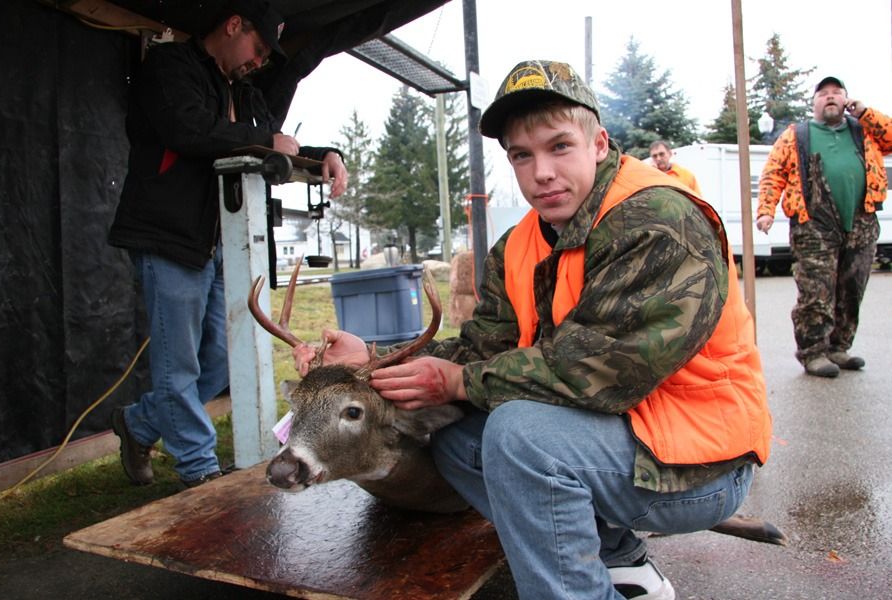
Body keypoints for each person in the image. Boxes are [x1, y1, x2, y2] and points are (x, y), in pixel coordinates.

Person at [296, 60, 772, 600]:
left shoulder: (658, 221)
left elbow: (602, 371)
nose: (541, 172)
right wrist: (370, 360)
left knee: (518, 436)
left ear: (598, 144)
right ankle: (618, 560)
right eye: (522, 155)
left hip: (699, 462)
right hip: (614, 440)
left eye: (559, 146)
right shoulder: (520, 244)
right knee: (456, 438)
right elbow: (480, 349)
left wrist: (459, 383)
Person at [107, 0, 348, 487]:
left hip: (222, 243)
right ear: (234, 25)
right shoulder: (170, 66)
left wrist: (326, 154)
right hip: (169, 235)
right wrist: (266, 141)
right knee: (178, 367)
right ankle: (199, 471)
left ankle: (139, 424)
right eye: (258, 48)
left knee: (223, 358)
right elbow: (188, 128)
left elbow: (273, 142)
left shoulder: (244, 93)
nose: (259, 61)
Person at [756, 76, 891, 378]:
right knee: (816, 292)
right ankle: (813, 352)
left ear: (846, 100)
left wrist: (865, 113)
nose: (830, 97)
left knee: (852, 290)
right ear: (814, 103)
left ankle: (839, 347)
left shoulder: (864, 129)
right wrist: (766, 211)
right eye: (823, 94)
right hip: (813, 225)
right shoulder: (797, 135)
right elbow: (773, 173)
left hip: (861, 222)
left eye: (836, 93)